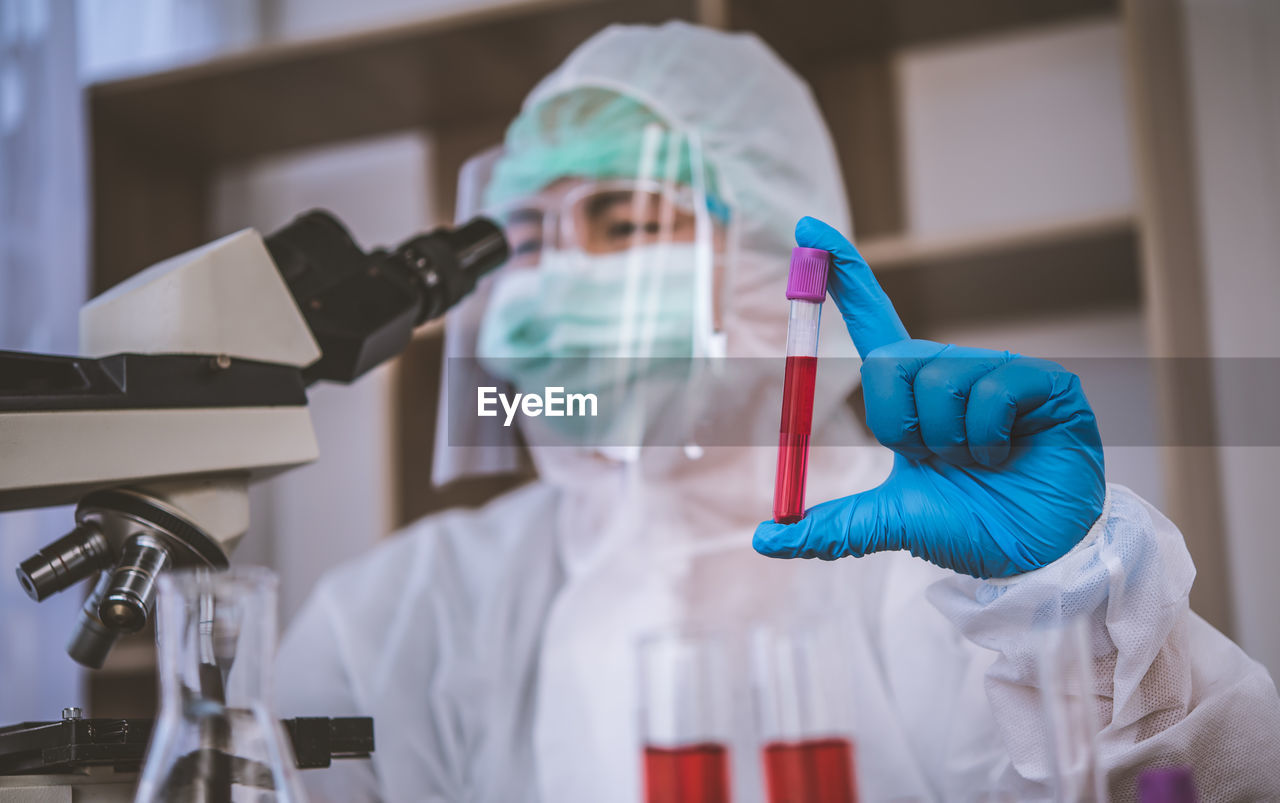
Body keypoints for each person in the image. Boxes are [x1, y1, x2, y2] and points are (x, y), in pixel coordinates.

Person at [276, 21, 1280, 803]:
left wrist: (1069, 602)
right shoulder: (403, 611)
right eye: (526, 240)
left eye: (623, 220)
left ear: (773, 255)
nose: (555, 280)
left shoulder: (949, 568)